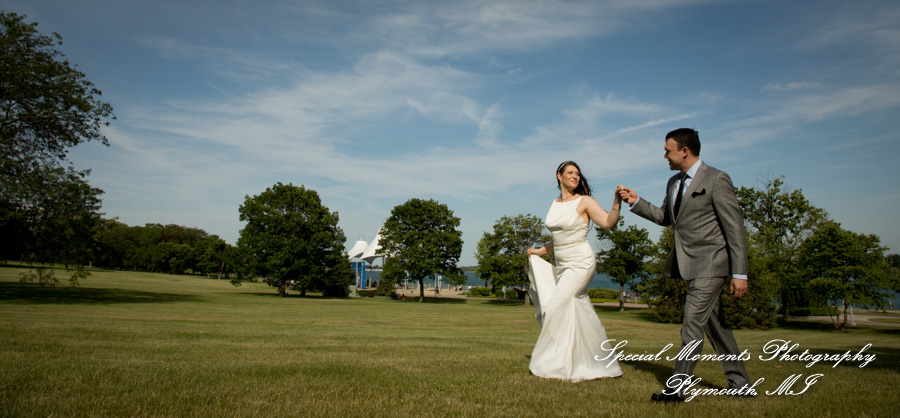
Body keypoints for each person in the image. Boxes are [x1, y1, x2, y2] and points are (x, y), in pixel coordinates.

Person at [617, 128, 751, 403]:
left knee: (691, 324)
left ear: (684, 151)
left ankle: (677, 390)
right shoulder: (672, 182)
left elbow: (735, 229)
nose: (664, 155)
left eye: (668, 150)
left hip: (712, 265)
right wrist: (637, 202)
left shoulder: (716, 179)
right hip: (688, 265)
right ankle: (741, 384)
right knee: (716, 328)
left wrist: (739, 273)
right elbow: (667, 217)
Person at [525, 161, 624, 381]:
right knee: (577, 308)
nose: (575, 176)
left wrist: (616, 202)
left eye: (577, 174)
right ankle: (599, 362)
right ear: (558, 176)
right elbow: (559, 237)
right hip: (562, 263)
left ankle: (546, 363)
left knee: (555, 307)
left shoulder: (585, 201)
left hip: (580, 262)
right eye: (570, 173)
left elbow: (608, 223)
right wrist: (542, 250)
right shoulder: (555, 203)